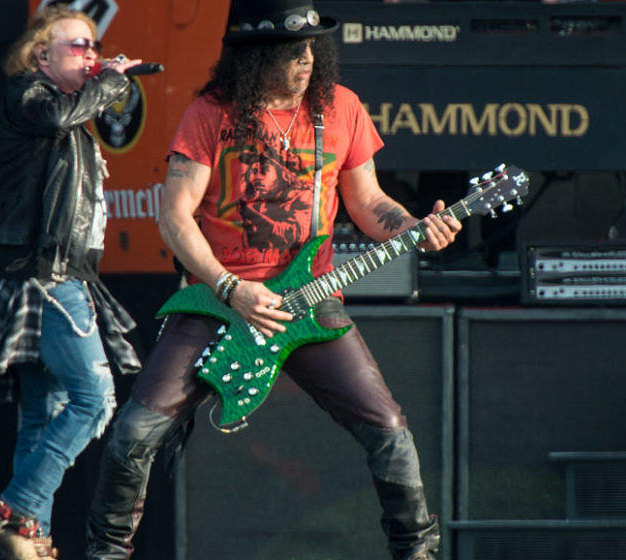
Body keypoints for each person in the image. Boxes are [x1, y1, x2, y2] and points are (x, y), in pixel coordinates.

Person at [84, 1, 462, 559]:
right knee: (134, 431)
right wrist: (231, 288)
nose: (305, 61)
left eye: (310, 49)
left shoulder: (340, 108)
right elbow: (175, 217)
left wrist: (415, 229)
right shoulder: (210, 112)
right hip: (219, 302)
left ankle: (418, 554)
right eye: (290, 52)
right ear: (254, 56)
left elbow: (368, 201)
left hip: (310, 302)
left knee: (390, 432)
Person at [0, 6, 143, 560]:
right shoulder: (28, 95)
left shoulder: (65, 116)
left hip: (43, 277)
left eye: (94, 45)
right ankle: (16, 508)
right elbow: (60, 116)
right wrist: (110, 81)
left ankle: (27, 534)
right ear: (42, 56)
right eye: (78, 45)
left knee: (46, 411)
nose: (90, 54)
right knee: (95, 400)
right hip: (45, 278)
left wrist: (105, 85)